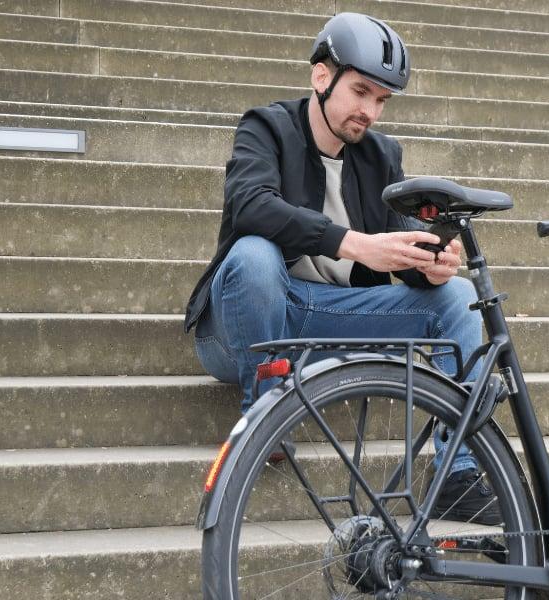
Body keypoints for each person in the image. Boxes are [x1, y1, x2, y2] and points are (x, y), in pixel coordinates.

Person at [183, 13, 499, 525]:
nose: (369, 111)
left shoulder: (380, 155)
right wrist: (354, 245)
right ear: (321, 77)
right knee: (254, 255)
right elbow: (251, 206)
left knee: (459, 296)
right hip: (248, 322)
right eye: (361, 92)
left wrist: (430, 264)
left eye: (382, 100)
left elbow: (398, 250)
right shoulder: (266, 128)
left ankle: (457, 474)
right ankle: (264, 413)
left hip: (333, 319)